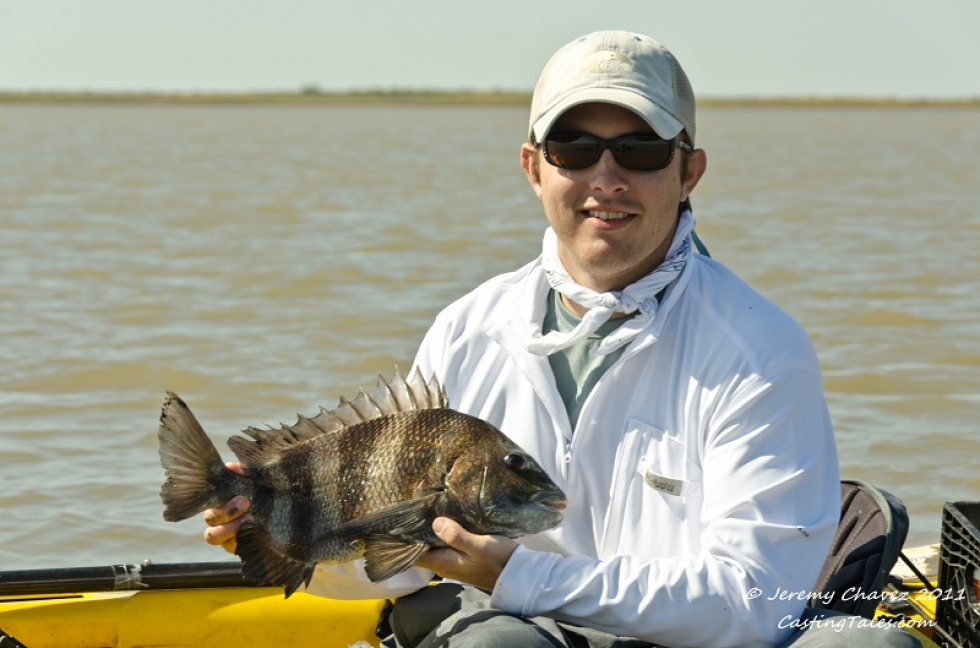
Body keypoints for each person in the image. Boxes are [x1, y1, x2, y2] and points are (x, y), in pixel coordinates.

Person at [203, 31, 921, 648]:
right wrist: (273, 532)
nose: (605, 178)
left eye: (639, 150)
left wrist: (519, 576)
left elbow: (754, 601)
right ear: (533, 168)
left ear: (688, 170)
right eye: (574, 148)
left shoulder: (760, 351)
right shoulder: (468, 328)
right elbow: (399, 563)